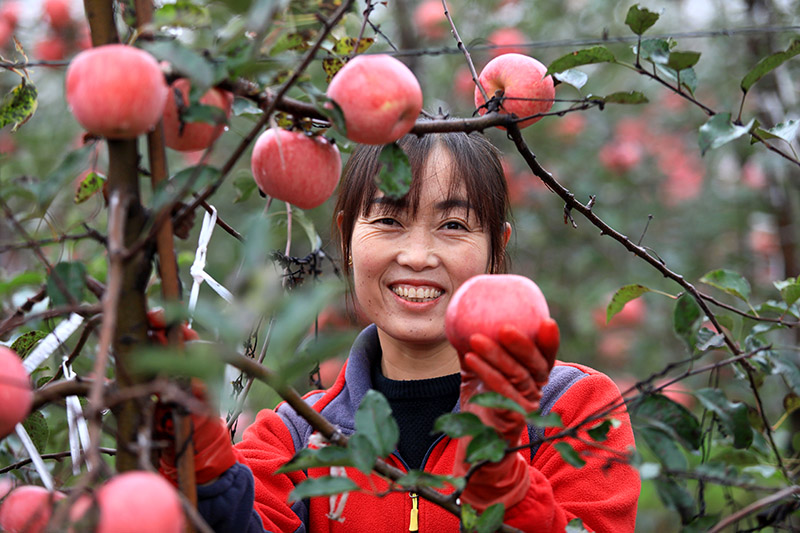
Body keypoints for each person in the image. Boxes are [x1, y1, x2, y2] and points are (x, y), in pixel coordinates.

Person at [157, 130, 641, 532]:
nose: (416, 255)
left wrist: (506, 486)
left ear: (497, 248)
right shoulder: (296, 436)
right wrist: (201, 466)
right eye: (389, 220)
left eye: (453, 225)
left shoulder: (571, 409)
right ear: (347, 239)